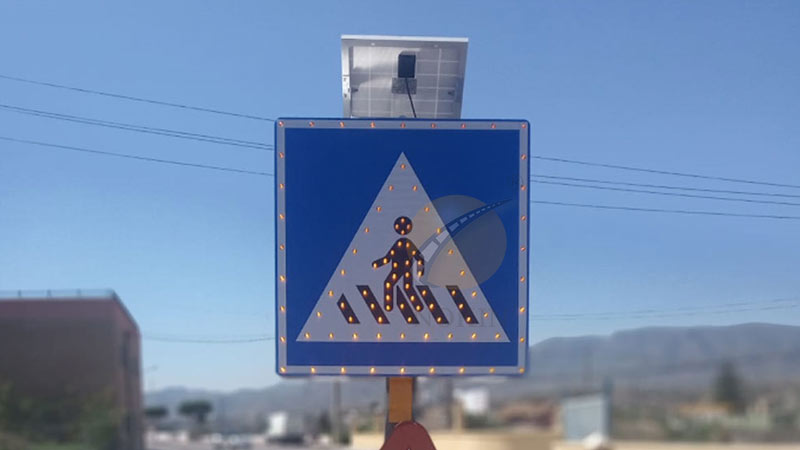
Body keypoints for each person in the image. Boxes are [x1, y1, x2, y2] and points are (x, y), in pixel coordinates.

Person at [371, 216, 424, 312]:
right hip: (400, 270)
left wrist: (420, 270)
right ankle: (416, 306)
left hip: (402, 270)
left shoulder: (406, 243)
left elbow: (419, 257)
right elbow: (388, 258)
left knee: (399, 286)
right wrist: (377, 264)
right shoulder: (400, 243)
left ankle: (416, 306)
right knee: (404, 287)